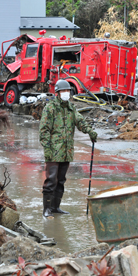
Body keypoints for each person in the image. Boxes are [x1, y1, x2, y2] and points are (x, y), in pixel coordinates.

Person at [39, 79, 97, 218]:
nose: (66, 93)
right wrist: (47, 149)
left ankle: (55, 207)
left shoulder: (71, 108)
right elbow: (44, 130)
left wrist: (89, 131)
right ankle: (46, 209)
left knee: (61, 180)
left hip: (66, 151)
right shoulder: (51, 108)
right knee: (51, 180)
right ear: (57, 93)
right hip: (54, 150)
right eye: (63, 91)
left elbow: (80, 122)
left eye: (67, 91)